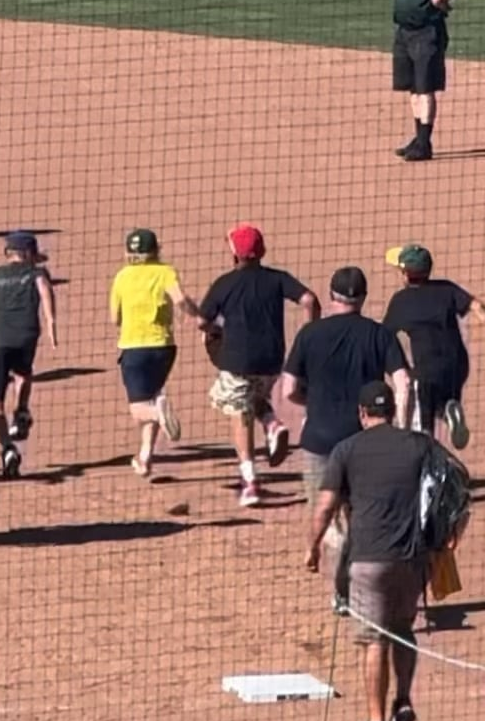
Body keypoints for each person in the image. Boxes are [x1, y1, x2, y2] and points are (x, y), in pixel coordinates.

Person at [304, 382, 430, 721]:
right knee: (403, 630)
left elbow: (326, 505)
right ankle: (403, 702)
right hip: (411, 559)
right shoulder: (419, 445)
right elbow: (453, 487)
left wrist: (312, 547)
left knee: (373, 640)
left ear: (362, 414)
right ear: (392, 411)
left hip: (368, 560)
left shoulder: (347, 450)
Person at [198, 224, 320, 507]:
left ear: (234, 255)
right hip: (271, 359)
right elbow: (309, 299)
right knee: (253, 397)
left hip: (237, 360)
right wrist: (309, 334)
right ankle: (272, 423)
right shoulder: (276, 279)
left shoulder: (224, 283)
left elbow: (202, 321)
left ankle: (250, 481)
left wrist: (216, 328)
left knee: (238, 412)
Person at [282, 267, 411, 526]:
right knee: (364, 518)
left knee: (325, 517)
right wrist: (400, 428)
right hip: (365, 440)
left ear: (331, 296)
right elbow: (404, 383)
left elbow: (289, 389)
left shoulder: (309, 334)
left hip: (320, 438)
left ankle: (331, 560)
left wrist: (313, 402)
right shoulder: (379, 334)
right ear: (363, 298)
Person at [383, 244, 485, 450]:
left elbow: (384, 337)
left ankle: (427, 467)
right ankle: (449, 413)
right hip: (457, 366)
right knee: (444, 401)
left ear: (405, 274)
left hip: (425, 372)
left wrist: (397, 367)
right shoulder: (446, 289)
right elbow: (477, 306)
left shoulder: (401, 301)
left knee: (421, 427)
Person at [109, 228, 199, 478]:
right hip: (164, 348)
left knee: (139, 408)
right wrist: (198, 315)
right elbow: (181, 300)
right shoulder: (165, 271)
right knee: (154, 395)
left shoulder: (122, 277)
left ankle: (157, 414)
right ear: (156, 249)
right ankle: (145, 457)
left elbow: (115, 318)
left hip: (134, 349)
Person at [0, 230, 57, 478]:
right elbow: (45, 290)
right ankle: (21, 410)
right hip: (26, 336)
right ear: (30, 254)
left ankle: (7, 448)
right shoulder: (36, 273)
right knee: (23, 373)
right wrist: (51, 322)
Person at [388, 0, 467, 162]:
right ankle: (418, 137)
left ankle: (425, 143)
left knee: (425, 87)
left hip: (427, 31)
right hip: (404, 31)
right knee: (412, 86)